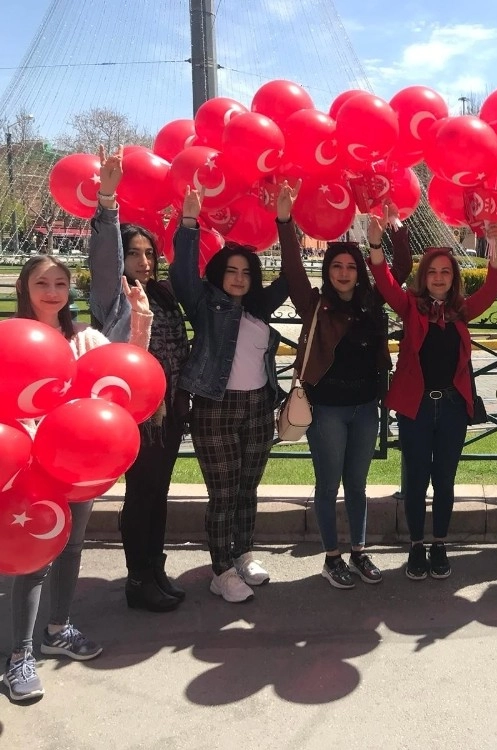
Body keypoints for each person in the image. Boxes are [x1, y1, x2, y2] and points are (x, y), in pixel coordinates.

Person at [4, 255, 151, 702]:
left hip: (77, 464)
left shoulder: (86, 338)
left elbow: (125, 377)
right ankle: (19, 657)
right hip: (24, 464)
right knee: (33, 558)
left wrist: (141, 325)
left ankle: (58, 628)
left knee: (69, 547)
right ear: (24, 290)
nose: (52, 291)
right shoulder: (12, 339)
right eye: (42, 282)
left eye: (60, 283)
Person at [276, 184, 412, 589]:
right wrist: (284, 222)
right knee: (328, 483)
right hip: (328, 411)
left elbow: (401, 268)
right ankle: (332, 557)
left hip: (365, 407)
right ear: (328, 271)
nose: (344, 273)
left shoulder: (372, 303)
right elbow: (292, 267)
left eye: (350, 267)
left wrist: (393, 227)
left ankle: (359, 551)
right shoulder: (314, 304)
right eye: (336, 266)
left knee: (358, 484)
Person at [169, 186, 288, 604]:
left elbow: (291, 273)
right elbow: (182, 275)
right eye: (232, 271)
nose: (239, 278)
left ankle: (243, 553)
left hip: (258, 406)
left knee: (247, 488)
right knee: (223, 491)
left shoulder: (259, 308)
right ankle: (221, 569)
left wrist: (288, 222)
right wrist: (189, 224)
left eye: (246, 273)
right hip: (214, 407)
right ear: (220, 274)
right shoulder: (206, 305)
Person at [369, 231, 497, 580]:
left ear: (453, 277)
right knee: (416, 480)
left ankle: (440, 544)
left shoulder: (461, 310)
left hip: (453, 408)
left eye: (445, 272)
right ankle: (416, 545)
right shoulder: (410, 306)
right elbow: (384, 284)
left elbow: (491, 290)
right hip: (416, 408)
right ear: (423, 276)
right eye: (432, 272)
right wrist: (374, 245)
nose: (439, 277)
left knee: (444, 480)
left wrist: (495, 247)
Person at [89, 146, 190, 612]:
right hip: (137, 413)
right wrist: (108, 202)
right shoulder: (116, 299)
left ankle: (155, 567)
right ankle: (137, 580)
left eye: (149, 254)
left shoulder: (162, 295)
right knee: (142, 493)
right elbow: (103, 261)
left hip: (170, 411)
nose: (144, 262)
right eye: (135, 254)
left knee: (159, 492)